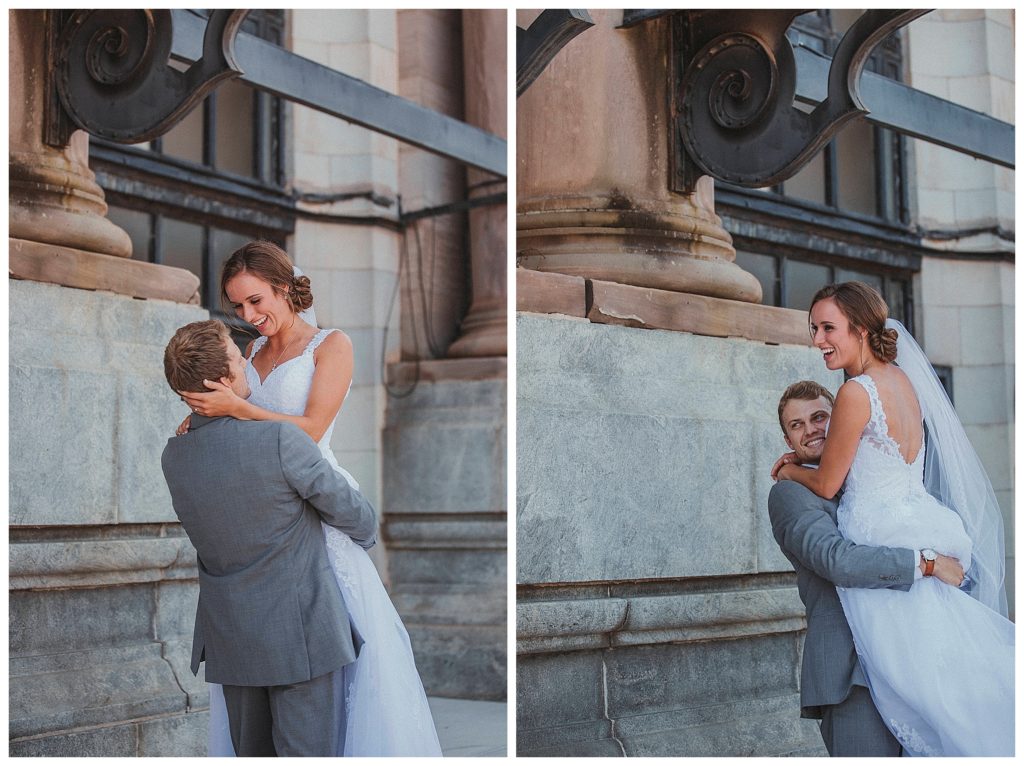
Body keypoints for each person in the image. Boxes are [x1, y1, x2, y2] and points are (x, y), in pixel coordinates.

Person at [177, 241, 442, 757]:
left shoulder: (331, 345)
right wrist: (205, 418)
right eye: (237, 307)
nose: (249, 317)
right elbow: (233, 423)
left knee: (337, 645)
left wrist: (237, 407)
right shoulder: (248, 353)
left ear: (283, 288)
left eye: (256, 301)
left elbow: (312, 428)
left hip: (318, 498)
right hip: (268, 513)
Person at [772, 282, 1013, 756]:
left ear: (860, 329)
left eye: (828, 328)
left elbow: (827, 486)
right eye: (814, 328)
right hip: (916, 517)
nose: (818, 339)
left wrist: (788, 467)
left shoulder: (856, 394)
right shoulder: (904, 383)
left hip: (882, 532)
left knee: (916, 678)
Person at [161, 319, 378, 756]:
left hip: (231, 636)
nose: (248, 364)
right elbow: (361, 521)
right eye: (239, 360)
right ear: (222, 381)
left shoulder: (174, 455)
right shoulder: (280, 440)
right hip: (300, 634)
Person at [769, 380, 964, 756]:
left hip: (910, 657)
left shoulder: (865, 481)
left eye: (820, 417)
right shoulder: (790, 494)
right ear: (787, 439)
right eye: (797, 425)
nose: (810, 429)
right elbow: (836, 560)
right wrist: (926, 563)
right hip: (852, 671)